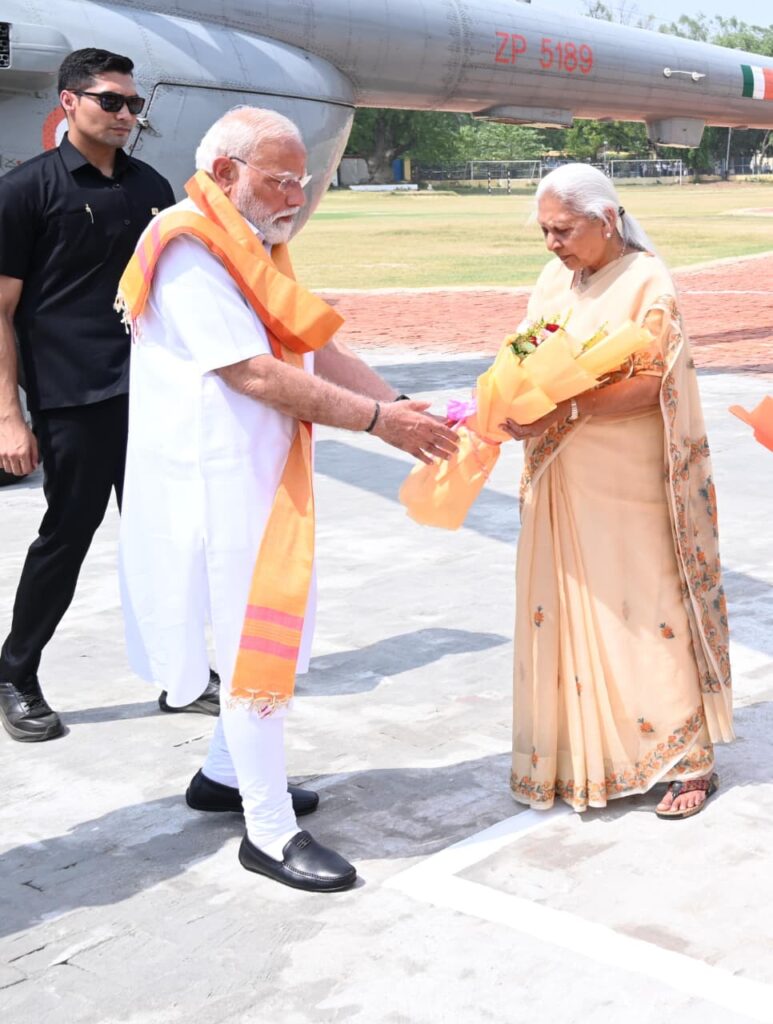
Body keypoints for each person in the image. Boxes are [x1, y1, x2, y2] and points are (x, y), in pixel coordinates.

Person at [117, 106, 458, 891]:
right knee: (256, 649)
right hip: (215, 483)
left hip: (261, 475)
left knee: (267, 634)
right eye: (280, 180)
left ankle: (222, 776)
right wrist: (378, 422)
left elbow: (311, 345)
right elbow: (253, 373)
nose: (296, 197)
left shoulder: (250, 240)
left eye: (301, 181)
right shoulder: (188, 245)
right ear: (226, 171)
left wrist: (398, 403)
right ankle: (267, 831)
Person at [0, 49, 220, 745]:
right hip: (71, 399)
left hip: (151, 393)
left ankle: (181, 676)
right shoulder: (25, 191)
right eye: (110, 101)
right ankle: (15, 674)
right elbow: (1, 311)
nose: (126, 114)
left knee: (168, 537)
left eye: (134, 104)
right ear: (69, 102)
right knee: (67, 536)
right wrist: (9, 416)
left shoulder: (150, 186)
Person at [501, 164, 732, 820]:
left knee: (645, 608)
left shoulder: (645, 281)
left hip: (629, 478)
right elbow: (524, 353)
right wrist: (505, 397)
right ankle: (585, 760)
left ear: (605, 219)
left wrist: (565, 409)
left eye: (563, 230)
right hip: (561, 474)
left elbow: (651, 383)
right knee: (570, 608)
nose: (552, 243)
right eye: (545, 231)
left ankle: (687, 761)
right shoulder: (554, 278)